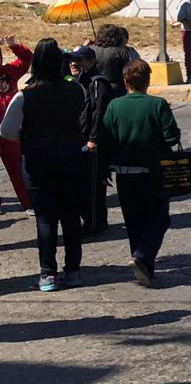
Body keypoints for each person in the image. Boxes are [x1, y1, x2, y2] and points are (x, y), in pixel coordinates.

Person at [0, 38, 88, 291]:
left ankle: (48, 273)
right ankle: (73, 271)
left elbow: (7, 131)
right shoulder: (76, 89)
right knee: (71, 216)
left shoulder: (24, 96)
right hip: (72, 157)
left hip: (38, 160)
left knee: (46, 219)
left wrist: (27, 138)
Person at [99, 61, 181, 288]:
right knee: (159, 219)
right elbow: (172, 137)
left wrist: (103, 169)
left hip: (125, 174)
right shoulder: (158, 105)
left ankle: (143, 264)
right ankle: (143, 258)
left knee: (133, 222)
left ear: (125, 81)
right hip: (154, 173)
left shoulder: (115, 106)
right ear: (148, 81)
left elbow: (105, 140)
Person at [68, 45, 116, 235]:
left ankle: (95, 222)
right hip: (81, 139)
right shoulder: (81, 80)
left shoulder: (98, 83)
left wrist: (94, 139)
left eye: (80, 60)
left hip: (94, 143)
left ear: (91, 61)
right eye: (74, 60)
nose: (75, 63)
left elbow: (98, 113)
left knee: (94, 186)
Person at [0, 34, 33, 213]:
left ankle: (28, 202)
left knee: (17, 168)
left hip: (10, 129)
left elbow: (28, 59)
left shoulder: (10, 71)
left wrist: (14, 46)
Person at [90, 24, 139, 97]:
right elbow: (126, 72)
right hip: (116, 90)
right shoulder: (121, 52)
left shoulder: (92, 49)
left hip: (96, 87)